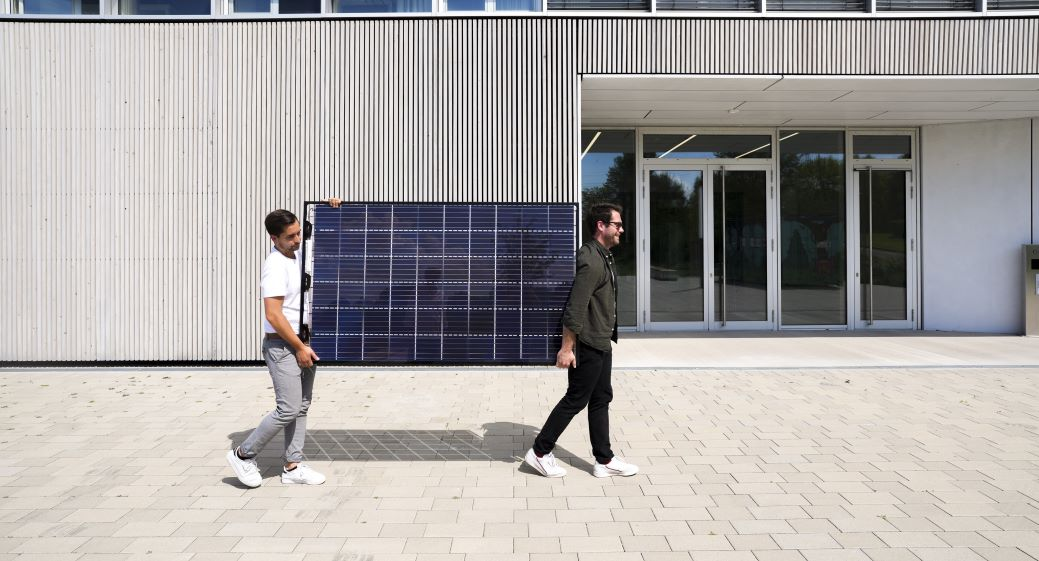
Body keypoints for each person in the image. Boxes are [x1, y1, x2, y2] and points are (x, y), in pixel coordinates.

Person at [226, 199, 341, 488]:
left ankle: (293, 466)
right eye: (290, 236)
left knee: (301, 406)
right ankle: (243, 454)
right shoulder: (275, 265)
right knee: (288, 408)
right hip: (283, 346)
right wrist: (300, 347)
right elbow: (273, 315)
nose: (297, 239)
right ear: (273, 238)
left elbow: (326, 239)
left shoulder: (297, 254)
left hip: (304, 343)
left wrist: (332, 209)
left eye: (298, 233)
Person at [524, 203, 639, 478]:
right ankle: (540, 452)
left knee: (601, 398)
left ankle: (604, 460)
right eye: (617, 224)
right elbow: (574, 308)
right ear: (601, 226)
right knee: (576, 399)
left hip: (601, 340)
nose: (621, 229)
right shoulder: (590, 259)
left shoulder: (605, 257)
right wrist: (567, 348)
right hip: (587, 343)